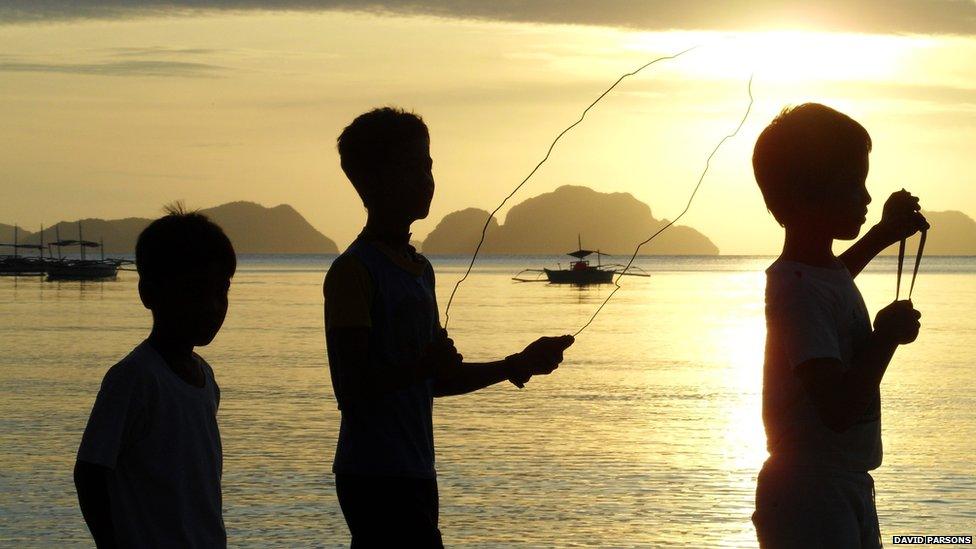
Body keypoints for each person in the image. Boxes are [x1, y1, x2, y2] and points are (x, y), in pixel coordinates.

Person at [325, 107, 575, 547]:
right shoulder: (353, 272)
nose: (426, 179)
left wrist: (516, 363)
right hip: (373, 474)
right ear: (372, 181)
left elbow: (436, 380)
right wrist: (422, 367)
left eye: (428, 166)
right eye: (411, 167)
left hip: (417, 470)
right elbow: (352, 388)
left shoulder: (421, 271)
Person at [750, 103, 928, 548]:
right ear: (805, 195)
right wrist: (885, 339)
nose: (867, 198)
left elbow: (834, 280)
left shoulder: (813, 275)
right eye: (854, 185)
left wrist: (883, 234)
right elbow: (836, 408)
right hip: (811, 493)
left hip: (839, 484)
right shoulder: (797, 289)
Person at [74, 206, 235, 548]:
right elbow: (89, 472)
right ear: (149, 293)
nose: (212, 305)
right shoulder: (134, 379)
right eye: (195, 291)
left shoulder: (205, 378)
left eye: (222, 291)